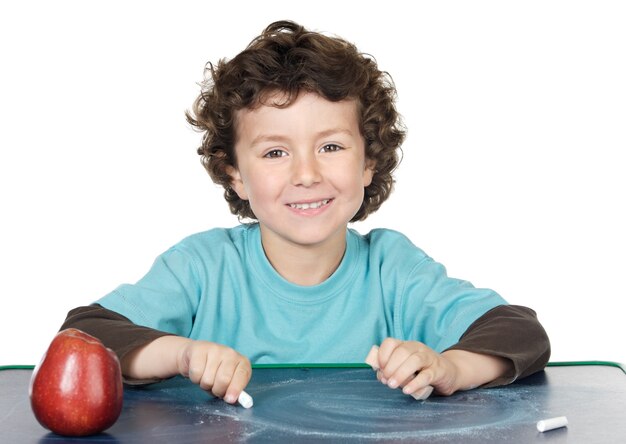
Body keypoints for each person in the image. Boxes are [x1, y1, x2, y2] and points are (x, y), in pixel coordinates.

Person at [61, 20, 550, 406]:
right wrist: (182, 354)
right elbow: (86, 332)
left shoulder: (393, 269)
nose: (307, 174)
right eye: (275, 152)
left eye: (331, 146)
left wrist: (451, 369)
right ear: (234, 174)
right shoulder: (201, 267)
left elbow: (519, 332)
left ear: (369, 162)